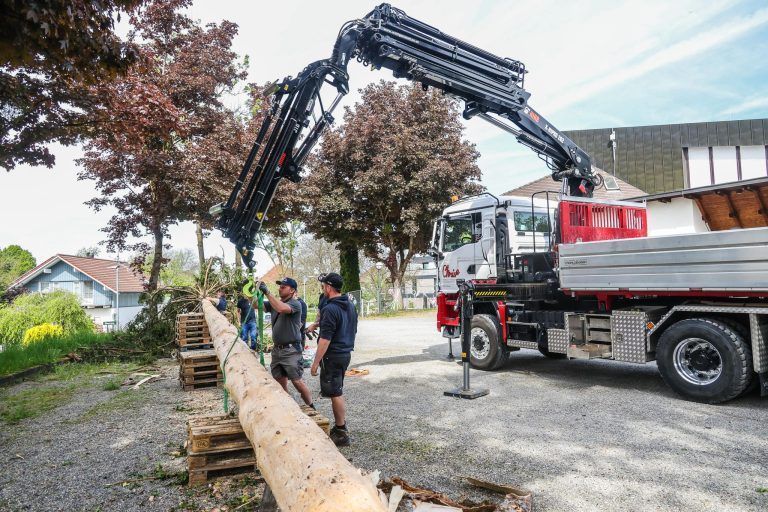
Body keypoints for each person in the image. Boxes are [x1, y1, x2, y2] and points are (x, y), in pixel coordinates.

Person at [310, 272, 357, 447]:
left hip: (333, 354)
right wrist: (316, 324)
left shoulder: (330, 308)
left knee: (336, 392)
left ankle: (341, 431)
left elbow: (325, 339)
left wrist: (315, 363)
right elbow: (351, 327)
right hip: (345, 352)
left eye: (323, 286)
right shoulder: (349, 305)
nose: (323, 289)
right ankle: (340, 427)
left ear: (329, 287)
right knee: (337, 389)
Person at [259, 277, 314, 409]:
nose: (280, 288)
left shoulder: (296, 304)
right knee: (280, 382)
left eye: (283, 286)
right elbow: (256, 305)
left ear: (292, 290)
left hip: (291, 351)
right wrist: (251, 292)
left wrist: (267, 292)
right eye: (280, 286)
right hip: (277, 350)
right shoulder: (274, 303)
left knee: (297, 381)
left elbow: (281, 308)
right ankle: (289, 408)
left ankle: (312, 407)